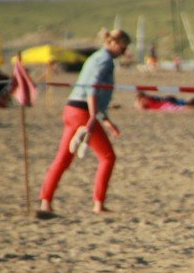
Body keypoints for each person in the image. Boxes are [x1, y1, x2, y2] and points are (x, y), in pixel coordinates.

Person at [38, 29, 131, 215]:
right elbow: (92, 88)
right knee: (107, 157)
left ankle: (45, 202)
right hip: (82, 111)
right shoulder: (104, 59)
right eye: (123, 46)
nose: (124, 51)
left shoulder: (96, 56)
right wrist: (92, 116)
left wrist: (104, 119)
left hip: (71, 109)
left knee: (63, 159)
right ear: (114, 43)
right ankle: (98, 204)